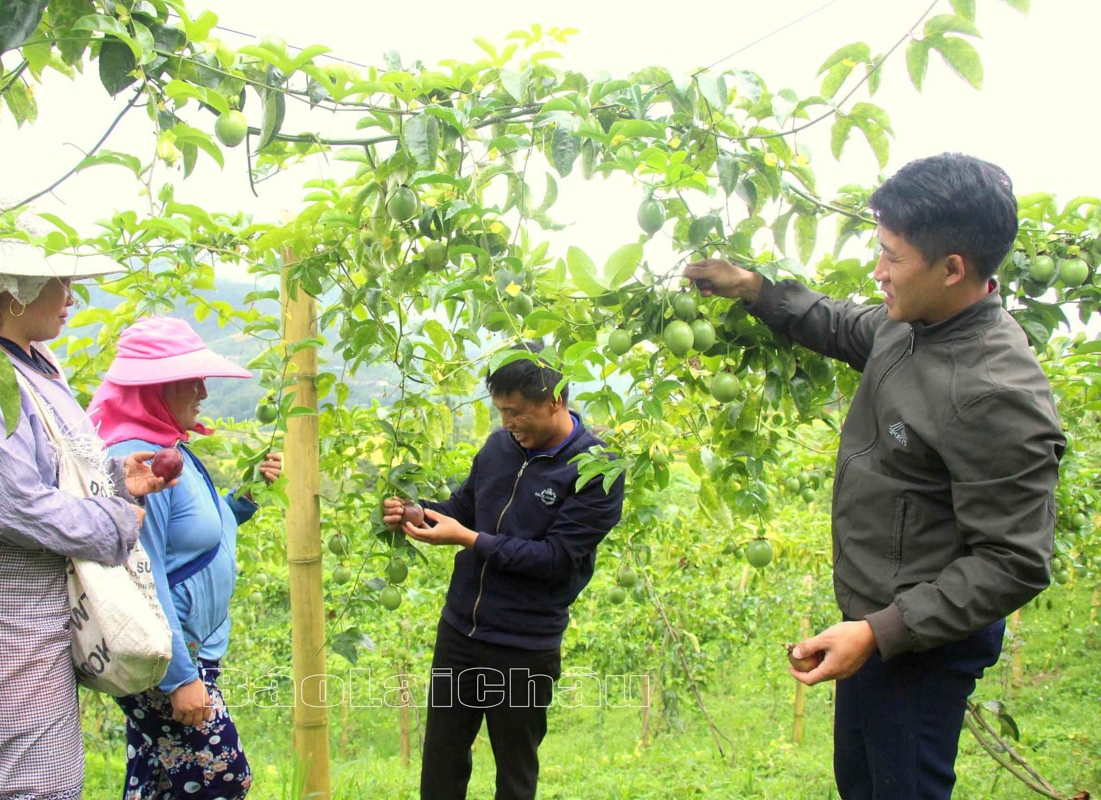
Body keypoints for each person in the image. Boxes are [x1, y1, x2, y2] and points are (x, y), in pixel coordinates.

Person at [685, 153, 1064, 799]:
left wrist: (878, 632)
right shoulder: (915, 323)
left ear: (953, 268)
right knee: (861, 785)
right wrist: (755, 288)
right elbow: (842, 323)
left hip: (918, 643)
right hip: (876, 626)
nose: (877, 270)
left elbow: (1014, 560)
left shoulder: (994, 391)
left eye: (892, 255)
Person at [0, 199, 172, 800]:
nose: (71, 296)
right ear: (17, 292)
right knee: (4, 782)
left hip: (28, 603)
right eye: (62, 281)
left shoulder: (29, 366)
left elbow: (40, 471)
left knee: (40, 776)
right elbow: (8, 505)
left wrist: (112, 478)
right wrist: (112, 521)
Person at [382, 343, 626, 800]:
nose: (508, 424)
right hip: (461, 632)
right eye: (500, 412)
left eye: (516, 413)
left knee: (514, 772)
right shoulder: (498, 447)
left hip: (525, 646)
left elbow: (554, 560)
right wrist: (419, 512)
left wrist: (467, 539)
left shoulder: (598, 469)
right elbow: (463, 510)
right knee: (441, 763)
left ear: (555, 400)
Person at [87, 316, 281, 800]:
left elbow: (195, 533)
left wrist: (243, 498)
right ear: (154, 389)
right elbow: (139, 576)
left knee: (157, 779)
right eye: (189, 381)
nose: (203, 392)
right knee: (222, 776)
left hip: (183, 652)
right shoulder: (140, 462)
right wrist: (179, 678)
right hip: (165, 658)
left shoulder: (167, 447)